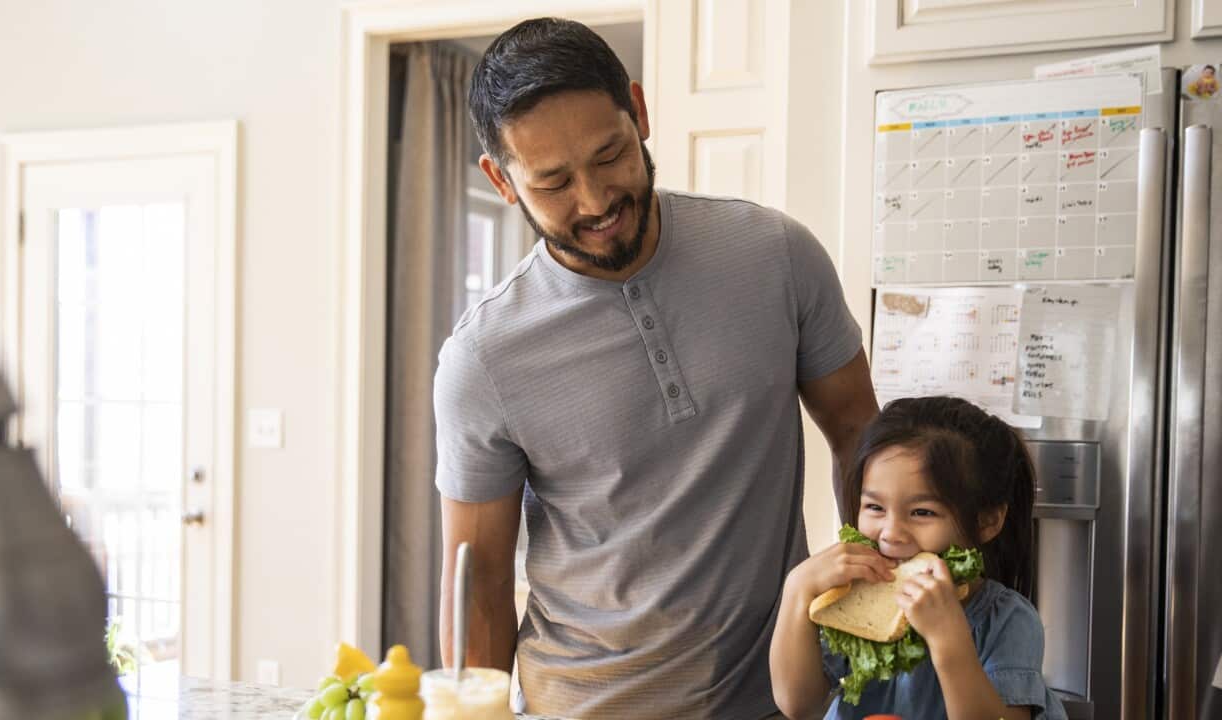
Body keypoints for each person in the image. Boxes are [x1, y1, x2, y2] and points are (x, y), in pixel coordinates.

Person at [433, 17, 878, 720]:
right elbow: (479, 581)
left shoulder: (776, 255)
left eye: (610, 155)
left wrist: (866, 623)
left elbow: (859, 432)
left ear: (638, 111)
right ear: (502, 180)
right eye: (552, 183)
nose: (595, 201)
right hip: (578, 706)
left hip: (775, 699)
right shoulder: (482, 358)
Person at [769, 396, 1067, 719]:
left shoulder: (1007, 620)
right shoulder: (850, 595)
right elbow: (798, 704)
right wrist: (797, 590)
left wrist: (948, 639)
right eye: (875, 508)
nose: (891, 533)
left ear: (987, 521)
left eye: (922, 512)